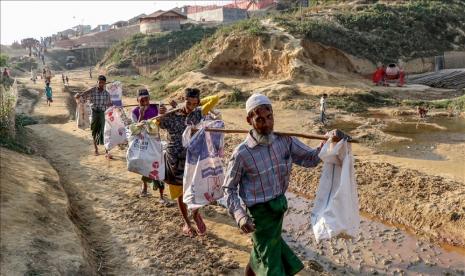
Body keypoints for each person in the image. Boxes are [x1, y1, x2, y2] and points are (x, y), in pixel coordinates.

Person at [223, 93, 349, 276]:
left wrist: (329, 140)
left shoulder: (285, 141)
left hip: (278, 208)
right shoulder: (242, 154)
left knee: (263, 252)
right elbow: (228, 188)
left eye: (269, 117)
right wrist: (240, 215)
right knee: (271, 265)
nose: (266, 124)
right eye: (260, 119)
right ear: (249, 120)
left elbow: (311, 159)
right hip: (259, 215)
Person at [157, 88, 219, 237]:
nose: (190, 106)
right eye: (188, 102)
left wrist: (197, 104)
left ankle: (196, 215)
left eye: (194, 103)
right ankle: (187, 222)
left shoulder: (198, 113)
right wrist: (162, 113)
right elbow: (157, 123)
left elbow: (215, 98)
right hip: (173, 159)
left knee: (192, 188)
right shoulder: (171, 116)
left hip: (191, 159)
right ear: (183, 100)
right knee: (179, 192)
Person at [131, 89, 167, 204]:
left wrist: (162, 115)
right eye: (142, 100)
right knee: (145, 165)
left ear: (149, 99)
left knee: (158, 167)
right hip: (143, 144)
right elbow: (136, 129)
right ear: (137, 100)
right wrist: (141, 115)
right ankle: (145, 186)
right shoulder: (135, 112)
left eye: (146, 99)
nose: (145, 102)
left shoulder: (155, 108)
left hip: (155, 143)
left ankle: (161, 195)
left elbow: (162, 124)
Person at [75, 75, 113, 158]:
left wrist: (111, 105)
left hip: (102, 113)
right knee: (94, 131)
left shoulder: (107, 94)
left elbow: (109, 104)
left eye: (103, 83)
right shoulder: (92, 90)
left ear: (105, 83)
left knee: (103, 131)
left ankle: (107, 151)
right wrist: (78, 95)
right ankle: (96, 149)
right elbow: (83, 95)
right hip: (94, 113)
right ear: (97, 82)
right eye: (100, 82)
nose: (101, 84)